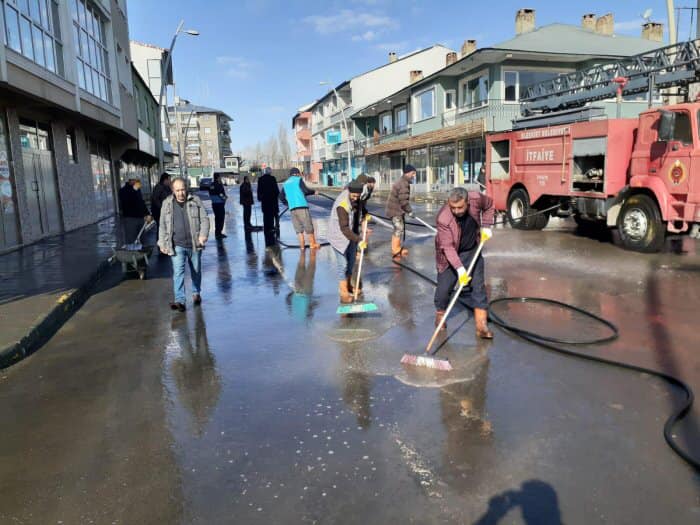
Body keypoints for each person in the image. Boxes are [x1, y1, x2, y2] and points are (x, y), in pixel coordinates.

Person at [434, 187, 494, 339]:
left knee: (478, 287)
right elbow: (447, 247)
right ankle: (441, 315)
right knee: (443, 290)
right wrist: (460, 269)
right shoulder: (443, 218)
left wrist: (486, 225)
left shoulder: (476, 198)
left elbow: (489, 205)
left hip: (472, 249)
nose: (456, 211)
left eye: (460, 207)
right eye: (452, 207)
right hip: (450, 255)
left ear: (468, 202)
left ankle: (481, 325)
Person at [158, 177, 210, 312]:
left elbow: (205, 219)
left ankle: (196, 292)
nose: (181, 193)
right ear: (173, 191)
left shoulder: (195, 201)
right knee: (178, 272)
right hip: (177, 244)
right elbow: (162, 225)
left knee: (196, 270)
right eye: (178, 190)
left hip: (194, 243)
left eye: (183, 189)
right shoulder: (167, 204)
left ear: (186, 188)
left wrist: (203, 235)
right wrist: (162, 243)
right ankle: (180, 300)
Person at [328, 180, 368, 303]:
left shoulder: (358, 198)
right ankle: (344, 292)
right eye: (353, 196)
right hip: (338, 236)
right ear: (349, 192)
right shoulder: (342, 204)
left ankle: (350, 286)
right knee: (343, 265)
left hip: (352, 235)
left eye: (358, 196)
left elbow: (360, 209)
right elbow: (344, 228)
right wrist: (359, 239)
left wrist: (365, 215)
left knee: (351, 264)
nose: (355, 198)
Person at [280, 167, 320, 250]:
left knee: (298, 229)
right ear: (297, 173)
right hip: (302, 207)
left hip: (292, 209)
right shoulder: (298, 180)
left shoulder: (286, 183)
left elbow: (281, 197)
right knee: (308, 226)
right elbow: (305, 190)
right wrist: (314, 192)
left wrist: (288, 204)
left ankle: (302, 247)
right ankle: (313, 244)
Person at [385, 164, 416, 260]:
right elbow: (403, 201)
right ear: (407, 173)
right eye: (413, 173)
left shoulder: (403, 181)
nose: (414, 175)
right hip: (395, 210)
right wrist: (410, 211)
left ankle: (398, 248)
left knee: (399, 229)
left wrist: (406, 210)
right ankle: (395, 250)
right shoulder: (403, 184)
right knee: (398, 229)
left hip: (397, 210)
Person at [119, 178, 152, 245]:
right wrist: (134, 189)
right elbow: (127, 201)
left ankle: (143, 253)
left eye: (138, 181)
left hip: (140, 218)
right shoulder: (123, 190)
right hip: (130, 219)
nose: (138, 182)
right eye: (136, 181)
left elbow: (141, 202)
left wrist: (147, 213)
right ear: (130, 181)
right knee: (131, 239)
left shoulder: (137, 190)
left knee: (142, 238)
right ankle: (132, 253)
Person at [257, 167, 280, 239]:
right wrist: (277, 195)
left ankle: (266, 227)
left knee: (266, 215)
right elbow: (276, 189)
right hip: (272, 200)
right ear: (270, 172)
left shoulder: (260, 179)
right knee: (274, 214)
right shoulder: (272, 178)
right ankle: (273, 227)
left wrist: (260, 198)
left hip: (264, 201)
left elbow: (259, 190)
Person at [209, 173, 227, 239]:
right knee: (221, 218)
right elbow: (220, 193)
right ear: (218, 177)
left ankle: (217, 232)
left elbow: (210, 192)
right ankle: (219, 232)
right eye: (220, 177)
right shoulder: (219, 184)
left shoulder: (211, 185)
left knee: (217, 218)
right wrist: (224, 198)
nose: (220, 178)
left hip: (214, 203)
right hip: (219, 203)